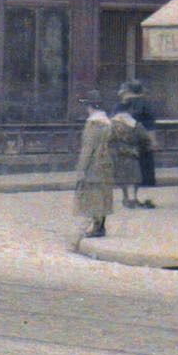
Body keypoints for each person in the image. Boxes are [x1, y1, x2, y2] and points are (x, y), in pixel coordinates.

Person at [72, 91, 114, 244]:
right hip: (106, 161)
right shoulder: (108, 123)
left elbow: (87, 149)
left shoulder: (92, 124)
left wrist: (81, 169)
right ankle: (101, 225)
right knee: (103, 193)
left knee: (93, 194)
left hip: (94, 164)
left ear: (90, 107)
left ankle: (96, 227)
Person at [117, 80, 158, 207]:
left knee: (124, 170)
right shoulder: (145, 104)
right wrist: (153, 141)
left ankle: (125, 197)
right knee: (138, 170)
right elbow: (150, 125)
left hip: (123, 141)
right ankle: (133, 197)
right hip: (140, 141)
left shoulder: (120, 105)